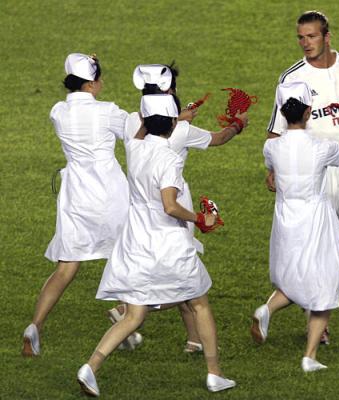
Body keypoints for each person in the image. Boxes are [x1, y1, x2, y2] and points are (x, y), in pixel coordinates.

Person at [77, 94, 237, 396]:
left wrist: (169, 117)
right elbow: (170, 206)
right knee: (199, 303)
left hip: (136, 239)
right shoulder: (169, 159)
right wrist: (201, 218)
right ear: (173, 122)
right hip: (166, 241)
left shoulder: (135, 145)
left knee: (134, 315)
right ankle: (214, 374)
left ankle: (91, 366)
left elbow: (143, 128)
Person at [107, 64, 248, 353]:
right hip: (173, 209)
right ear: (169, 92)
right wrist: (237, 125)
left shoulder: (131, 123)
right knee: (185, 278)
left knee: (164, 273)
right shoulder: (181, 131)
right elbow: (219, 138)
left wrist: (175, 116)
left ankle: (194, 339)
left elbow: (147, 123)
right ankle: (128, 312)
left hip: (138, 212)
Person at [265, 10, 339, 344]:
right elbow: (276, 130)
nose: (305, 43)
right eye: (301, 37)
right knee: (318, 252)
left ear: (327, 37)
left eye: (311, 36)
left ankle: (308, 298)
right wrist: (273, 170)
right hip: (316, 174)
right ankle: (318, 313)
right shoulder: (292, 78)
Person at [22, 53, 130, 356]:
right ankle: (126, 316)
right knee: (126, 254)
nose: (102, 83)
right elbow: (139, 130)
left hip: (75, 195)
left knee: (66, 266)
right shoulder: (107, 111)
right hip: (110, 193)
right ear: (91, 84)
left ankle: (35, 326)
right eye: (99, 79)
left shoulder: (59, 111)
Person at [251, 81, 339, 371]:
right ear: (308, 112)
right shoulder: (321, 147)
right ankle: (309, 356)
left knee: (294, 275)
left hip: (285, 218)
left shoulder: (271, 146)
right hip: (316, 219)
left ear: (282, 112)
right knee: (325, 282)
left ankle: (267, 309)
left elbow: (272, 172)